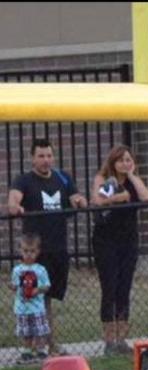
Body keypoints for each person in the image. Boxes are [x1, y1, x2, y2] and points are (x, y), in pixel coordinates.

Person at [7, 139, 88, 355]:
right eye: (41, 156)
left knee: (49, 297)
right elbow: (13, 200)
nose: (46, 160)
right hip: (35, 251)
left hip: (58, 248)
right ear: (32, 158)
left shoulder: (63, 178)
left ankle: (48, 345)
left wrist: (80, 201)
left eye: (49, 155)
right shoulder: (24, 180)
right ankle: (37, 346)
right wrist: (15, 206)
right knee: (35, 297)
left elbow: (75, 197)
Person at [90, 144, 148, 355]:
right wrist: (119, 197)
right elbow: (97, 200)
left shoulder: (133, 182)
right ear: (113, 162)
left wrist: (132, 175)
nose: (125, 163)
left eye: (128, 160)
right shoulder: (105, 179)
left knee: (124, 288)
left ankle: (121, 340)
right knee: (110, 287)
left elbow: (146, 198)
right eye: (121, 160)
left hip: (128, 241)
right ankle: (109, 341)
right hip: (106, 241)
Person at [9, 233, 51, 365]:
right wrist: (13, 287)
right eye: (25, 251)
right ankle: (27, 351)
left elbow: (47, 286)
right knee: (26, 332)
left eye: (32, 251)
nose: (28, 254)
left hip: (37, 307)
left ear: (37, 252)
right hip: (22, 308)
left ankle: (40, 350)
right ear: (20, 251)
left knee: (39, 330)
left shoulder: (40, 270)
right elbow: (16, 286)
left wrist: (37, 289)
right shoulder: (17, 270)